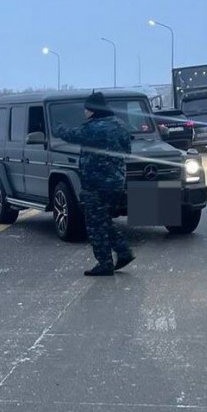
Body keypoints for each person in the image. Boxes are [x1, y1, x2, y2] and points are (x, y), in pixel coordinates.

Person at [53, 92, 134, 276]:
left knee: (94, 225)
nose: (85, 113)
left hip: (96, 184)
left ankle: (105, 263)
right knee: (103, 220)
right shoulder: (120, 125)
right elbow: (127, 151)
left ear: (93, 110)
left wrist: (57, 127)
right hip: (116, 183)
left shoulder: (93, 128)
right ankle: (123, 251)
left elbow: (71, 135)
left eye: (87, 109)